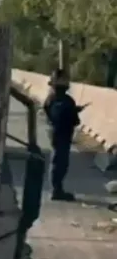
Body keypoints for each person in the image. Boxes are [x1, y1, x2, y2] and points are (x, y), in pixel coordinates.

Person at [42, 68, 87, 201]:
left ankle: (57, 189)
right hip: (62, 134)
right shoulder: (65, 100)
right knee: (60, 163)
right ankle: (57, 191)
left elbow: (52, 112)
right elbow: (66, 117)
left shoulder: (52, 98)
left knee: (58, 161)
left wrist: (74, 110)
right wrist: (74, 113)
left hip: (56, 133)